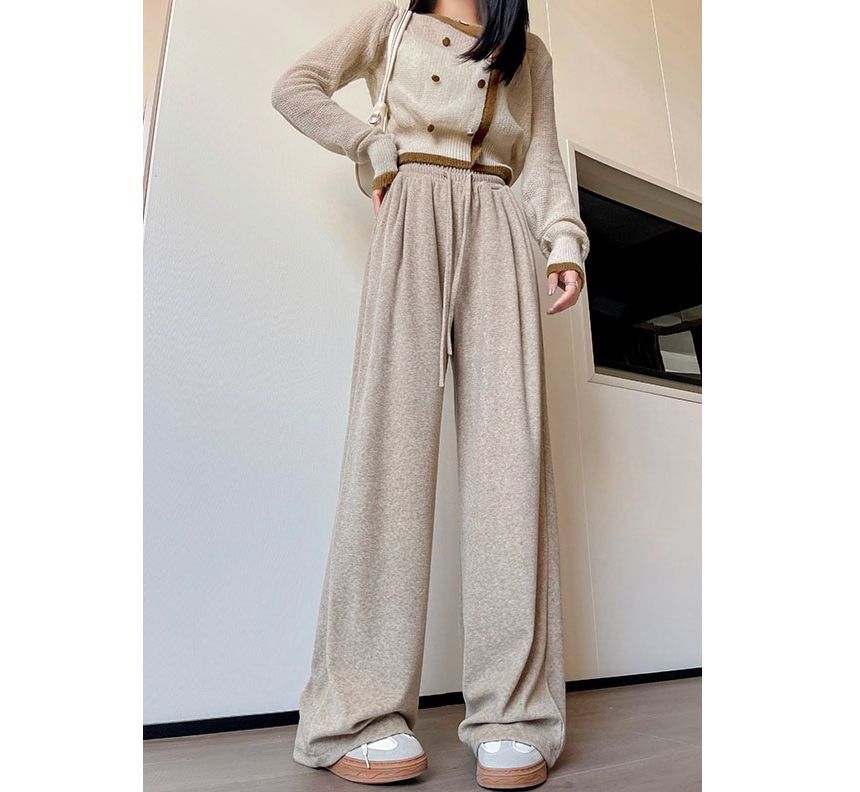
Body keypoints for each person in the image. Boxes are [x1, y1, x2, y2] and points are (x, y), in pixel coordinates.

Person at [271, 1, 588, 788]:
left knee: (511, 463)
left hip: (499, 218)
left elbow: (543, 159)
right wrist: (369, 144)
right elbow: (296, 85)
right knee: (390, 452)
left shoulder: (528, 52)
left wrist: (562, 240)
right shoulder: (389, 24)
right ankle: (357, 712)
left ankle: (513, 712)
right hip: (412, 204)